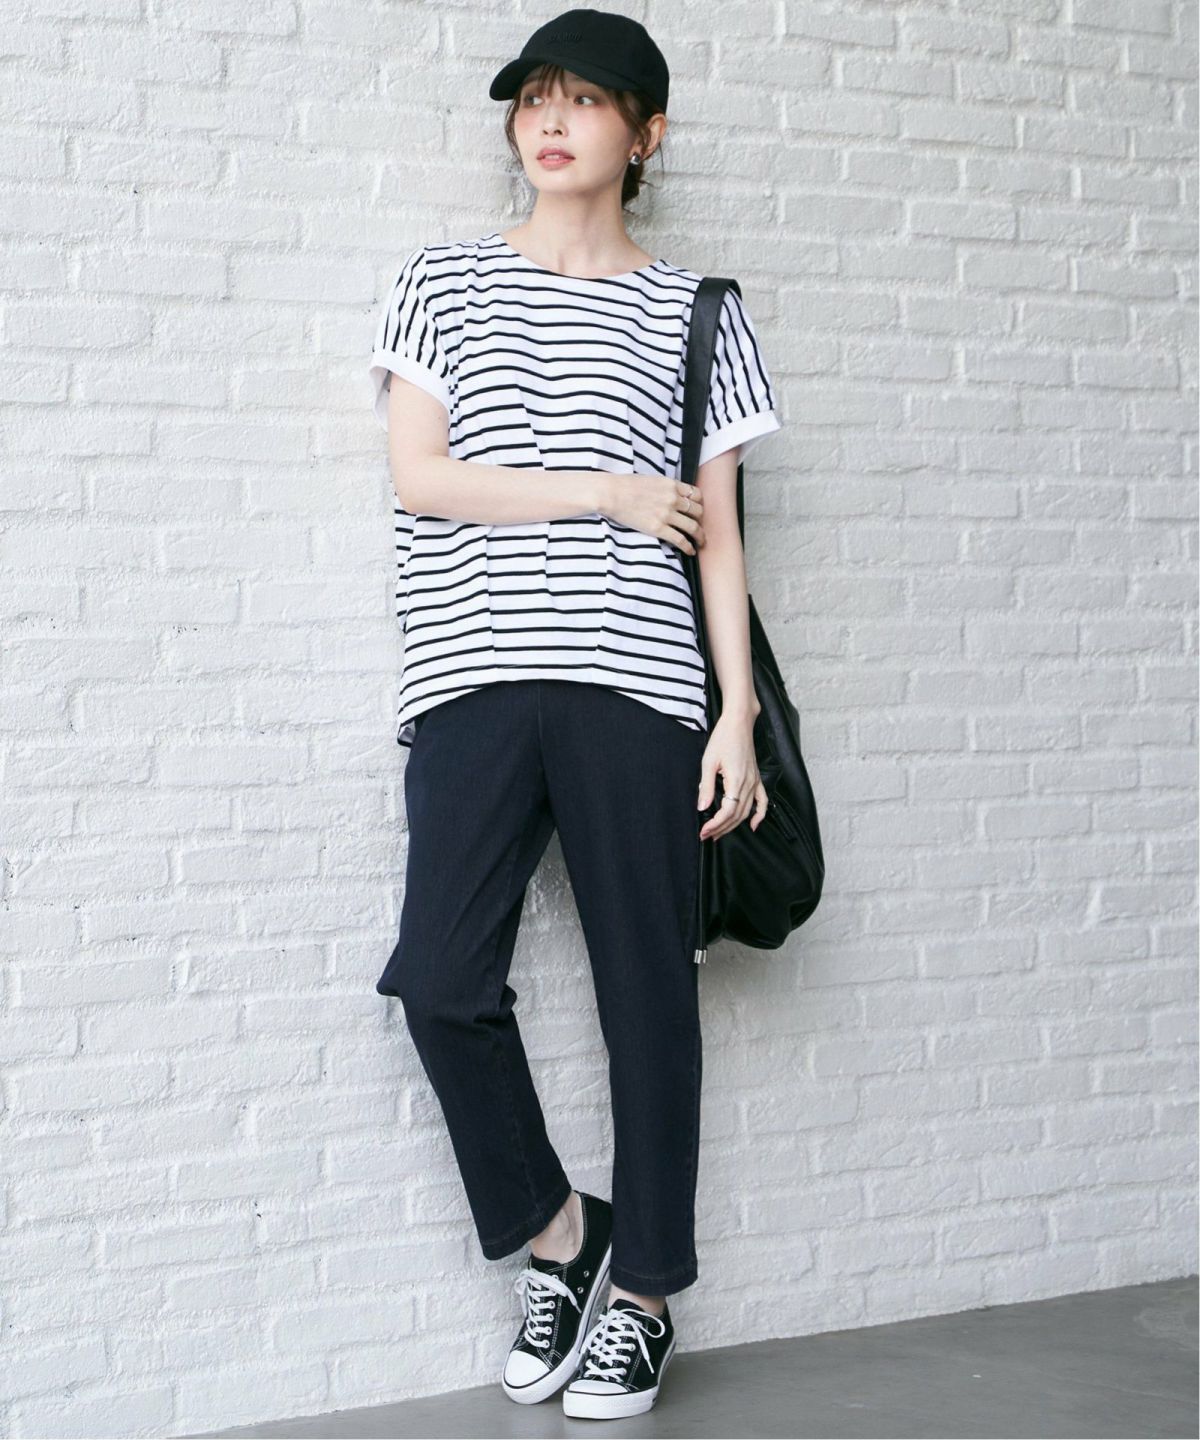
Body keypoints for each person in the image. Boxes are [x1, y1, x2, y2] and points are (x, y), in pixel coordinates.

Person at [367, 7, 783, 1420]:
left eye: (587, 100)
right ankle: (561, 1233)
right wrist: (602, 491)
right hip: (473, 676)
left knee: (646, 994)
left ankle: (646, 1292)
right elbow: (422, 478)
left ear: (645, 134)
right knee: (439, 978)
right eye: (533, 97)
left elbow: (718, 536)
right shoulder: (441, 283)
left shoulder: (696, 312)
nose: (551, 121)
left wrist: (735, 717)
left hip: (639, 685)